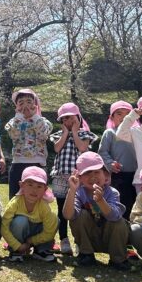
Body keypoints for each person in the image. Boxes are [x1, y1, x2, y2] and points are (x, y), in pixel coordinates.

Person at [62, 151, 130, 268]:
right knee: (80, 215)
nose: (93, 177)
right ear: (80, 177)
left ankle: (118, 259)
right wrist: (72, 190)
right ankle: (86, 254)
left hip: (110, 239)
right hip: (90, 238)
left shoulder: (112, 192)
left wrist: (101, 201)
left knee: (120, 222)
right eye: (87, 173)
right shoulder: (79, 193)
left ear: (106, 175)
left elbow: (114, 216)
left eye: (97, 172)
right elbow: (68, 215)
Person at [49, 102, 97, 255]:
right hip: (60, 177)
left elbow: (82, 148)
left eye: (70, 118)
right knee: (62, 209)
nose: (67, 122)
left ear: (78, 117)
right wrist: (65, 133)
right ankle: (63, 240)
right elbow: (56, 148)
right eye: (64, 119)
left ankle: (79, 240)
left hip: (79, 178)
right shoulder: (58, 134)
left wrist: (75, 132)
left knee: (79, 210)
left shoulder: (85, 134)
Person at [1, 166, 58, 262]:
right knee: (20, 221)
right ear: (21, 185)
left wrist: (31, 241)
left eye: (39, 186)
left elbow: (49, 231)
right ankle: (17, 252)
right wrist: (17, 245)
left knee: (55, 220)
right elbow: (4, 226)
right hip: (19, 236)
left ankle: (41, 250)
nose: (34, 190)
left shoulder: (44, 206)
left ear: (45, 189)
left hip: (36, 236)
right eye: (30, 185)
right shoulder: (15, 203)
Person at [5, 88, 53, 200]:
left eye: (29, 102)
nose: (25, 106)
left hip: (37, 163)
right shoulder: (13, 121)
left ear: (35, 105)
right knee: (15, 196)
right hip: (18, 163)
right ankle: (14, 216)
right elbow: (14, 135)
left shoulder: (42, 121)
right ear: (16, 107)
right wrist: (19, 117)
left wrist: (34, 116)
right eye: (21, 103)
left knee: (37, 197)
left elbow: (43, 135)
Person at [98, 100, 138, 220]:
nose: (123, 117)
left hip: (136, 174)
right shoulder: (110, 133)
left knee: (135, 202)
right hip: (118, 175)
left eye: (127, 114)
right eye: (119, 114)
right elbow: (102, 152)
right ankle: (121, 225)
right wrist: (110, 163)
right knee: (121, 201)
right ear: (111, 117)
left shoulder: (135, 133)